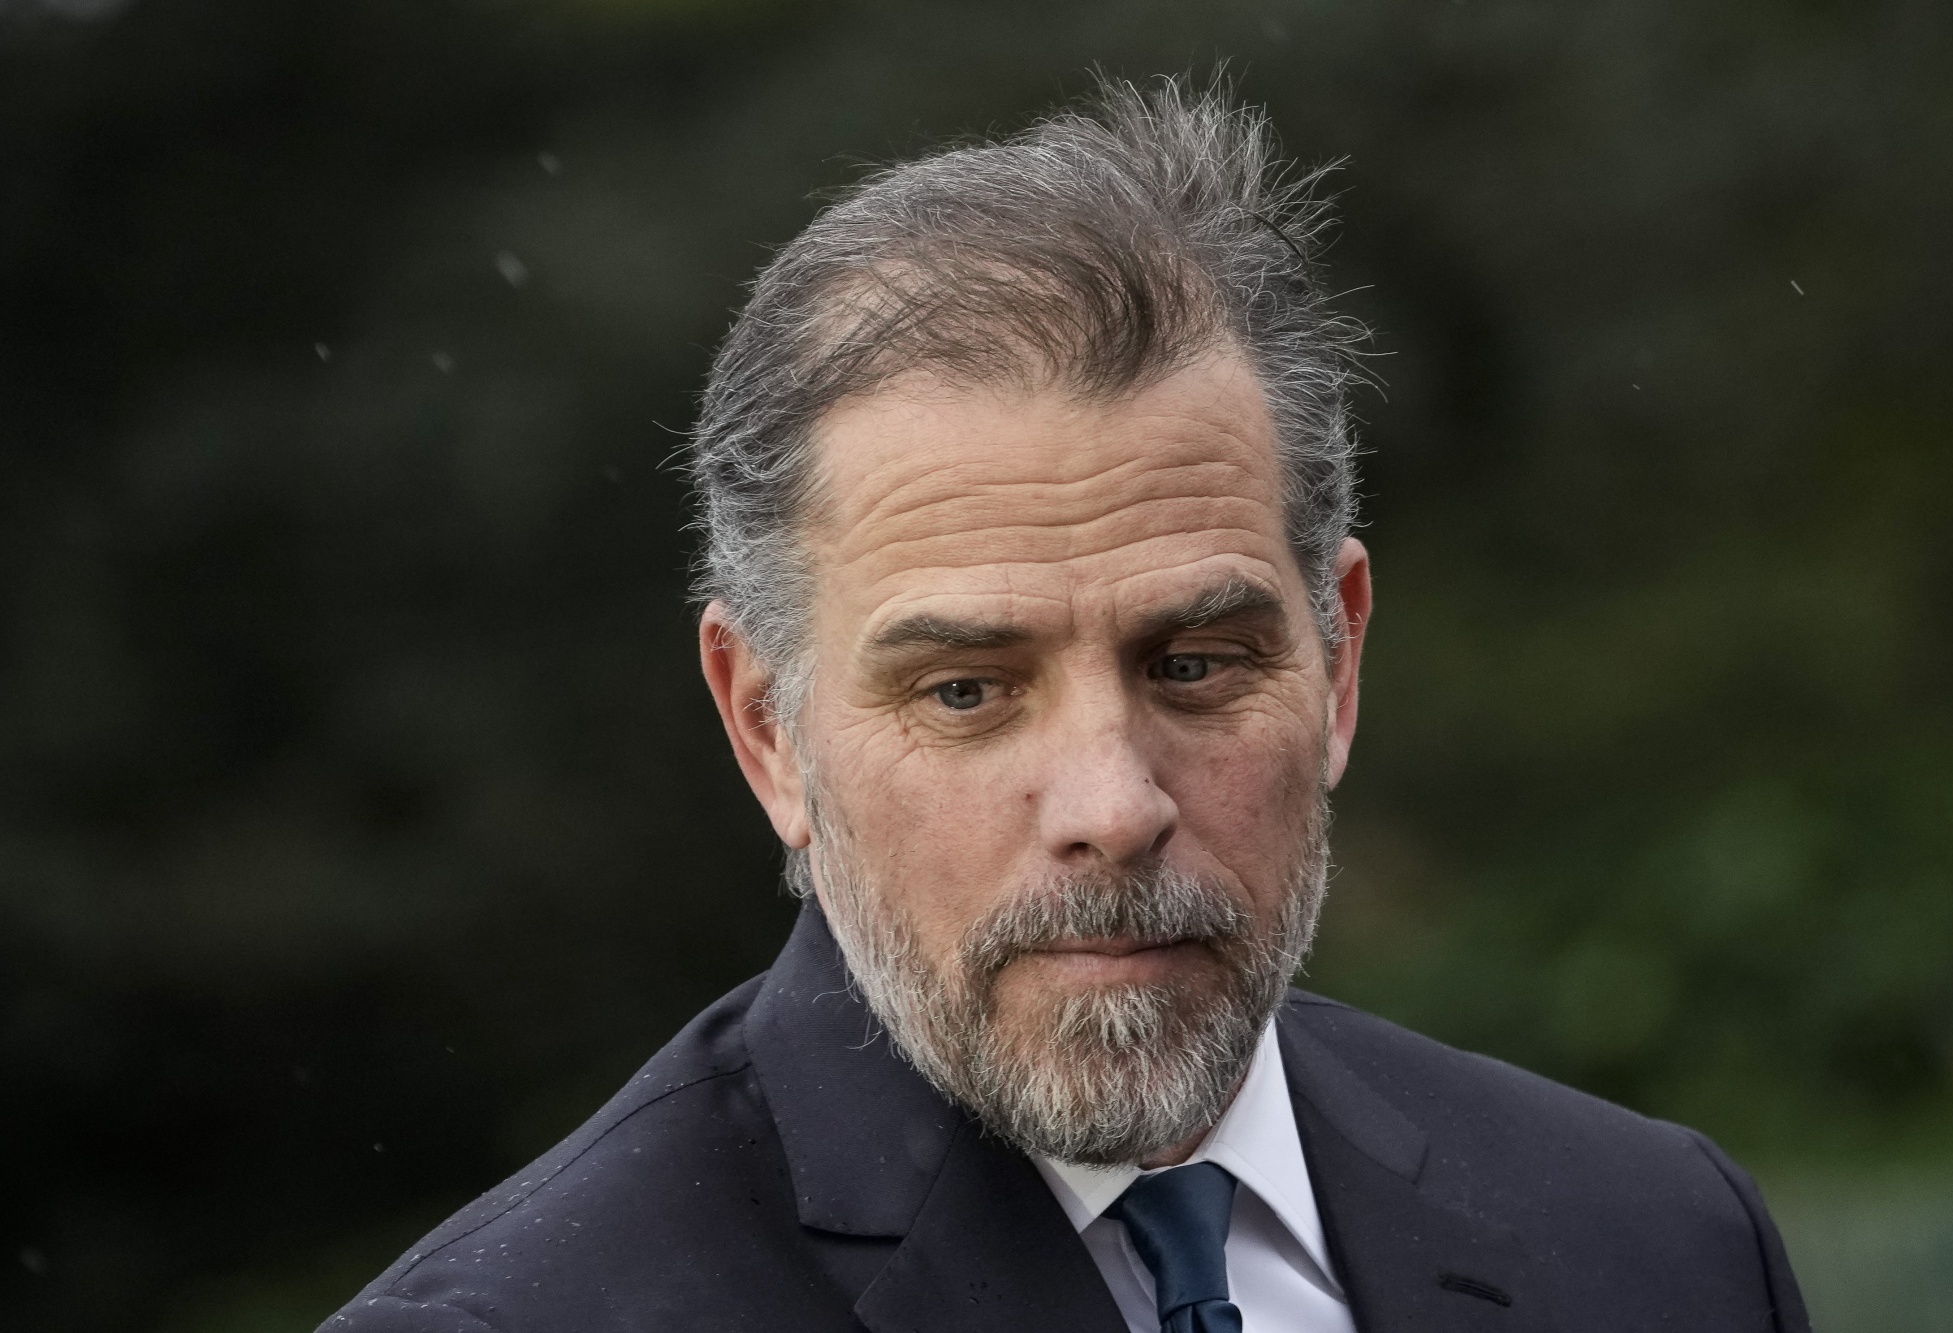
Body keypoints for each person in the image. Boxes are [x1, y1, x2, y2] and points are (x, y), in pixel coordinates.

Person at [323, 77, 1811, 1333]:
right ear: (768, 727)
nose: (1113, 804)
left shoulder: (1664, 1244)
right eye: (968, 690)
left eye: (1195, 664)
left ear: (1339, 660)